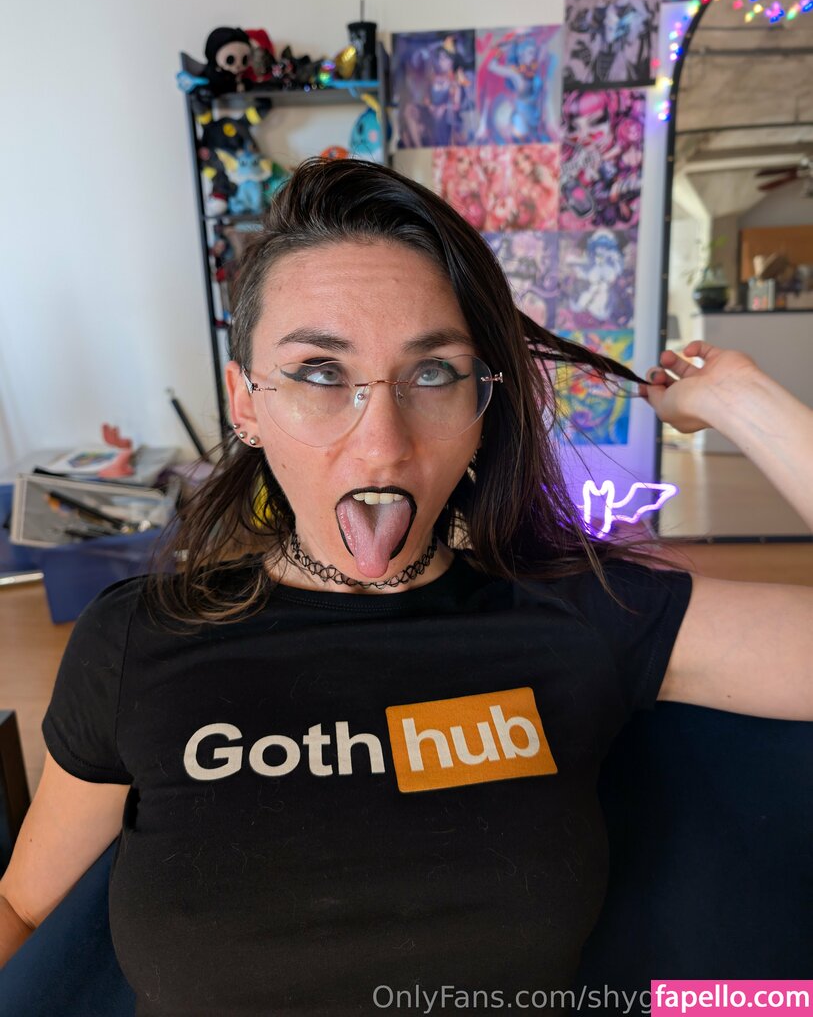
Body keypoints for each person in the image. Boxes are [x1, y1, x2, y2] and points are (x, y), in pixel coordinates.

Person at [0, 158, 811, 1015]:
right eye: (320, 372)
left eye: (432, 374)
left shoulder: (581, 617)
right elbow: (23, 908)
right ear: (246, 403)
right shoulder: (138, 639)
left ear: (482, 407)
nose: (382, 444)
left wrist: (741, 402)